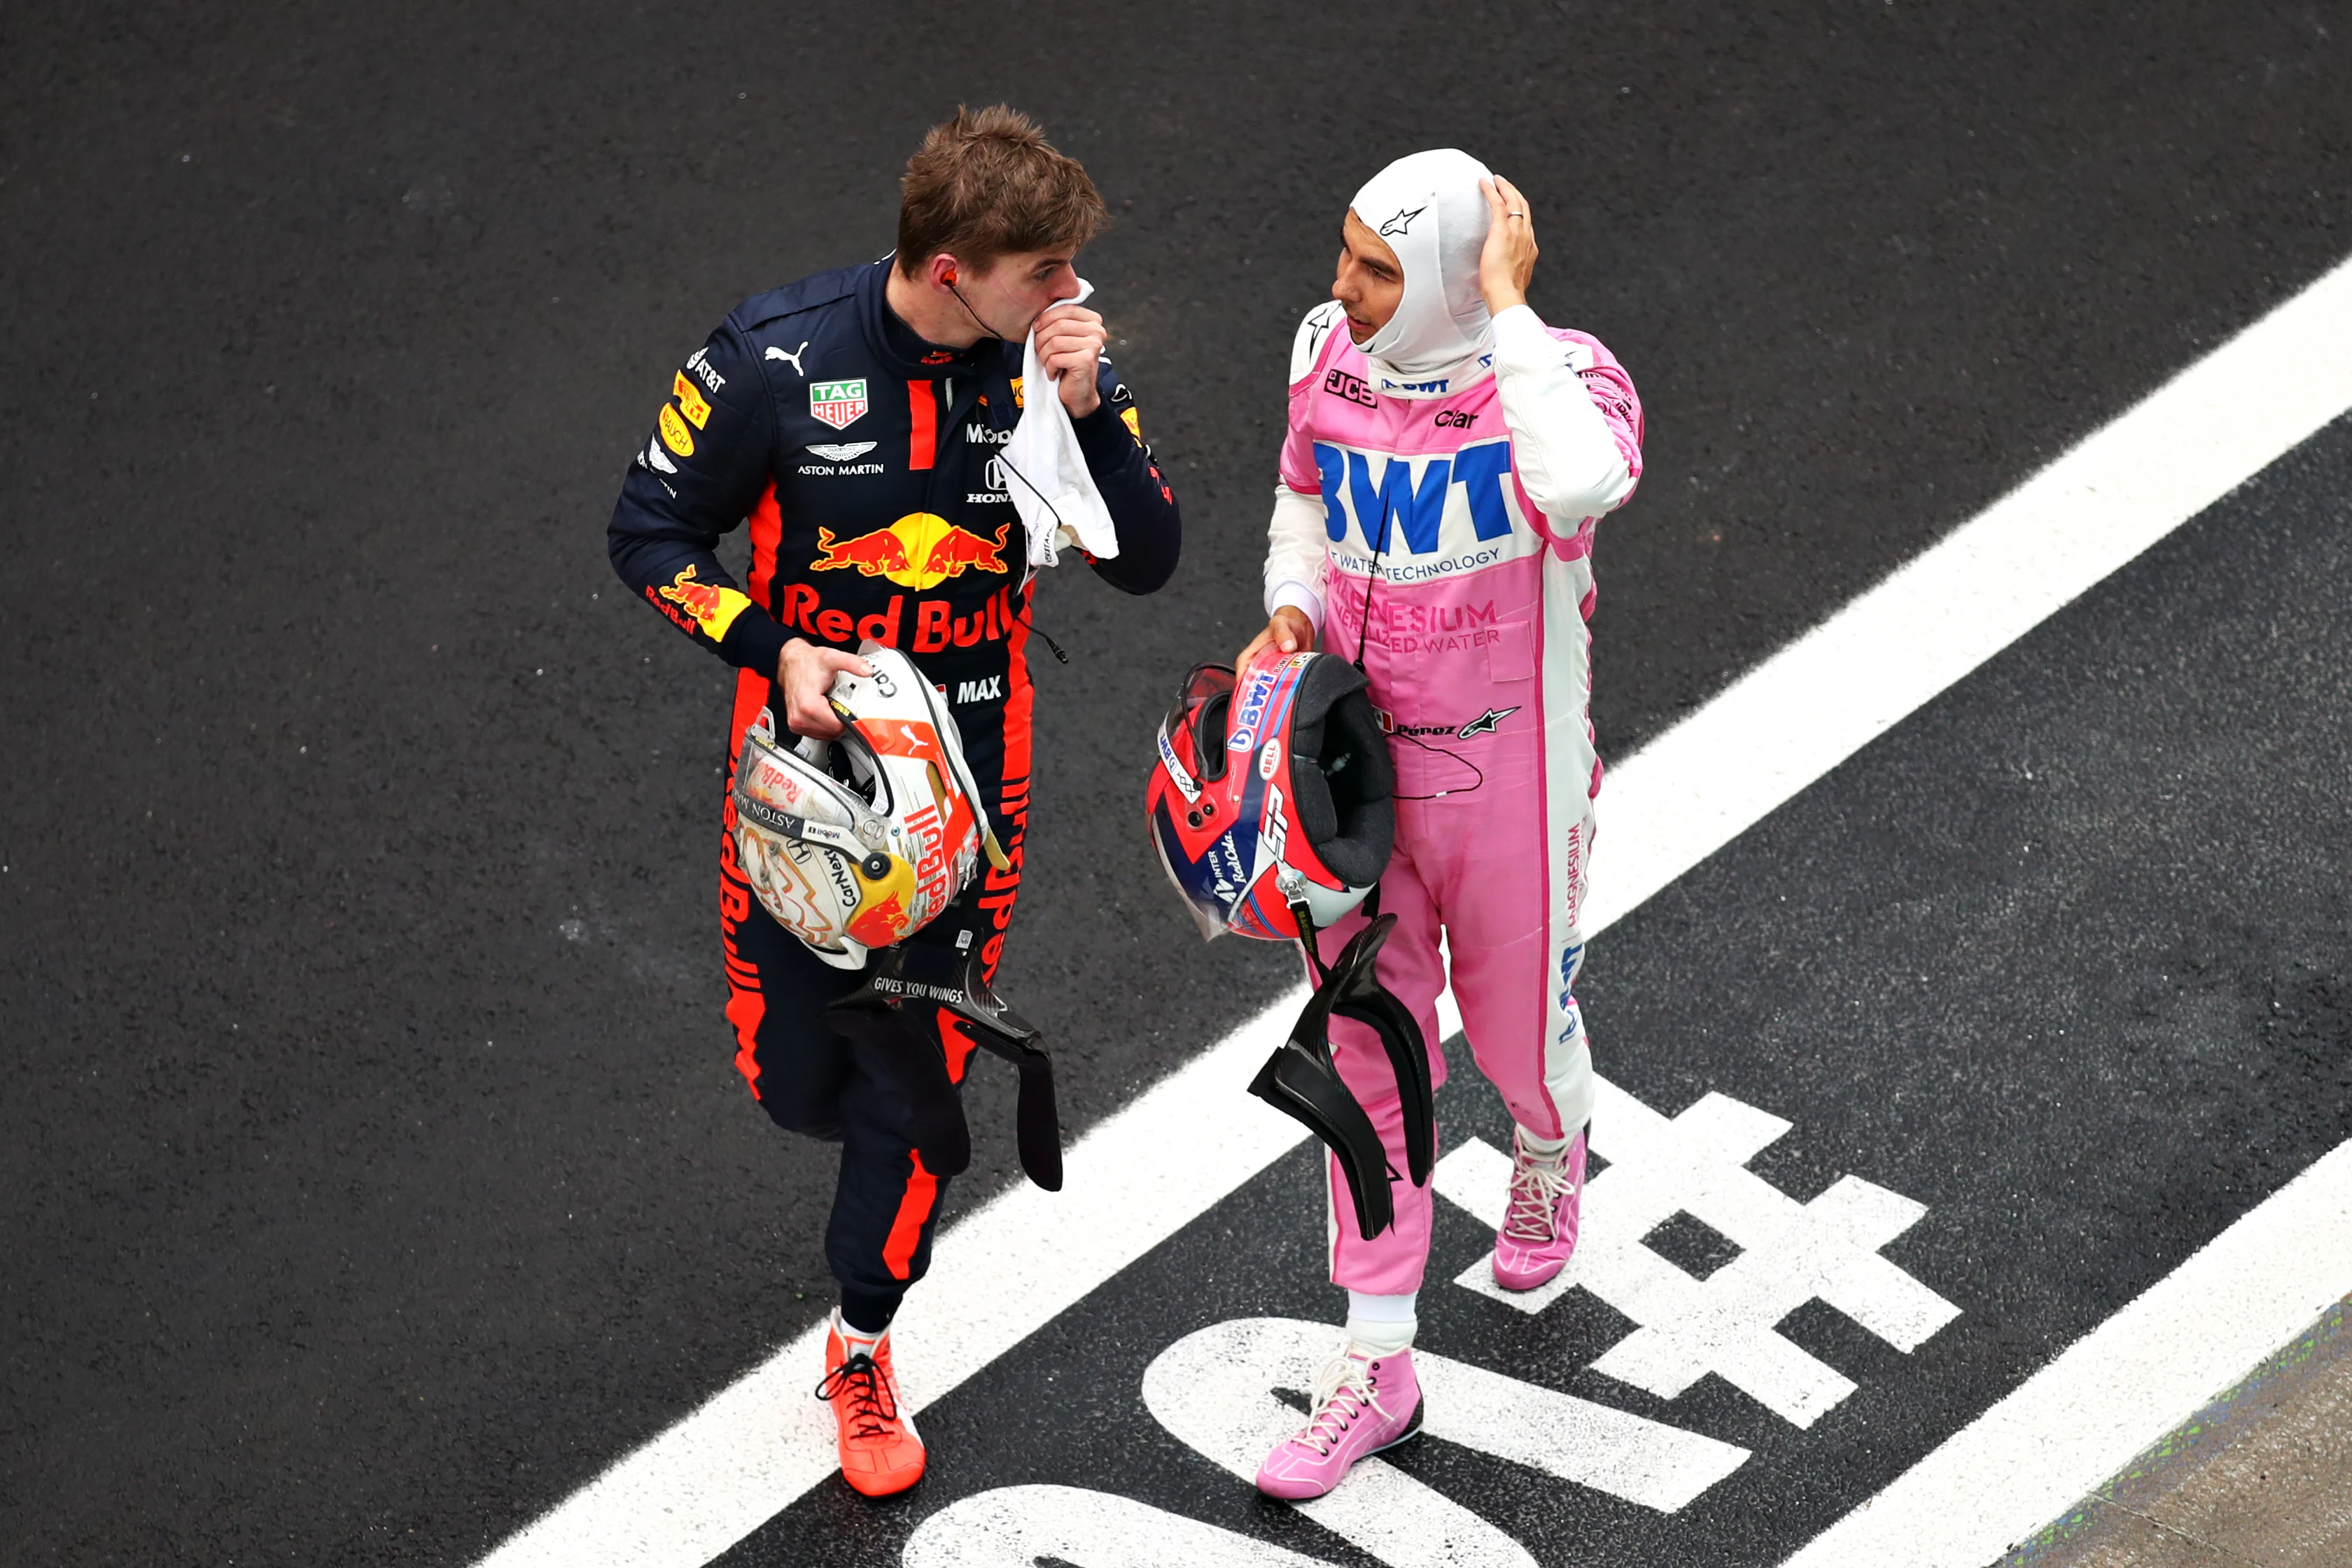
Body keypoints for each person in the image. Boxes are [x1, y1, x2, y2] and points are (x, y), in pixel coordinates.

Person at [607, 104, 1180, 1498]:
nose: (1070, 294)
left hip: (970, 800)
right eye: (1042, 269)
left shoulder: (1059, 366)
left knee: (917, 1107)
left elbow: (1148, 559)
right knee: (796, 1083)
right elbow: (648, 533)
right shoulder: (775, 358)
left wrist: (1095, 412)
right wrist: (771, 647)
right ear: (949, 267)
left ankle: (863, 1339)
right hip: (799, 791)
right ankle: (853, 1147)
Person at [1235, 149, 1644, 1499]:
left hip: (1516, 782)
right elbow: (1302, 493)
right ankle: (1379, 1359)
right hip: (1354, 778)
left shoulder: (1567, 376)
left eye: (1376, 267)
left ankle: (1547, 1138)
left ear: (1461, 276)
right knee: (1365, 1052)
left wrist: (1508, 315)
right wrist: (1295, 599)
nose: (1341, 287)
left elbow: (1581, 487)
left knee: (1523, 1041)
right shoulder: (1322, 354)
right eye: (1346, 253)